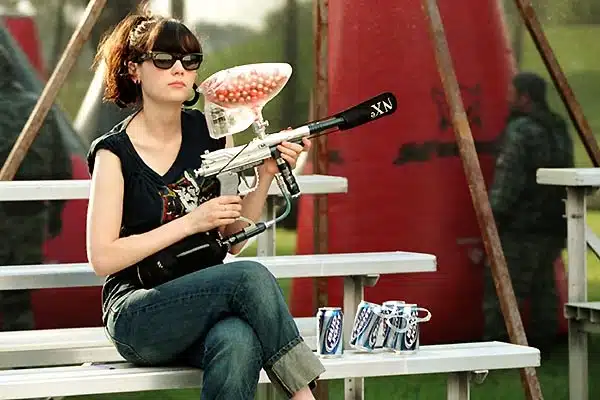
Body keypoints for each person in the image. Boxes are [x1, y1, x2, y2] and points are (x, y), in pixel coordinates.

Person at [85, 7, 324, 400]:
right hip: (138, 312)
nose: (179, 68)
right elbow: (102, 258)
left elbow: (233, 238)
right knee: (249, 277)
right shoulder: (113, 153)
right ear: (134, 69)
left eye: (190, 59)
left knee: (238, 339)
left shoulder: (213, 135)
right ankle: (304, 396)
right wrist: (191, 222)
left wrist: (265, 173)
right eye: (164, 59)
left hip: (205, 302)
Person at [483, 71, 574, 350]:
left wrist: (493, 216)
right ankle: (545, 343)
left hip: (522, 224)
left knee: (504, 289)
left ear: (524, 97)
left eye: (512, 94)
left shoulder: (521, 130)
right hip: (554, 221)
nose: (508, 99)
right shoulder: (557, 127)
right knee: (544, 287)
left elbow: (509, 178)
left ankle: (497, 346)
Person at [0, 44, 72, 331]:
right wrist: (55, 213)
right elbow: (61, 166)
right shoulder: (39, 109)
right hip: (30, 217)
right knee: (18, 300)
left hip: (19, 213)